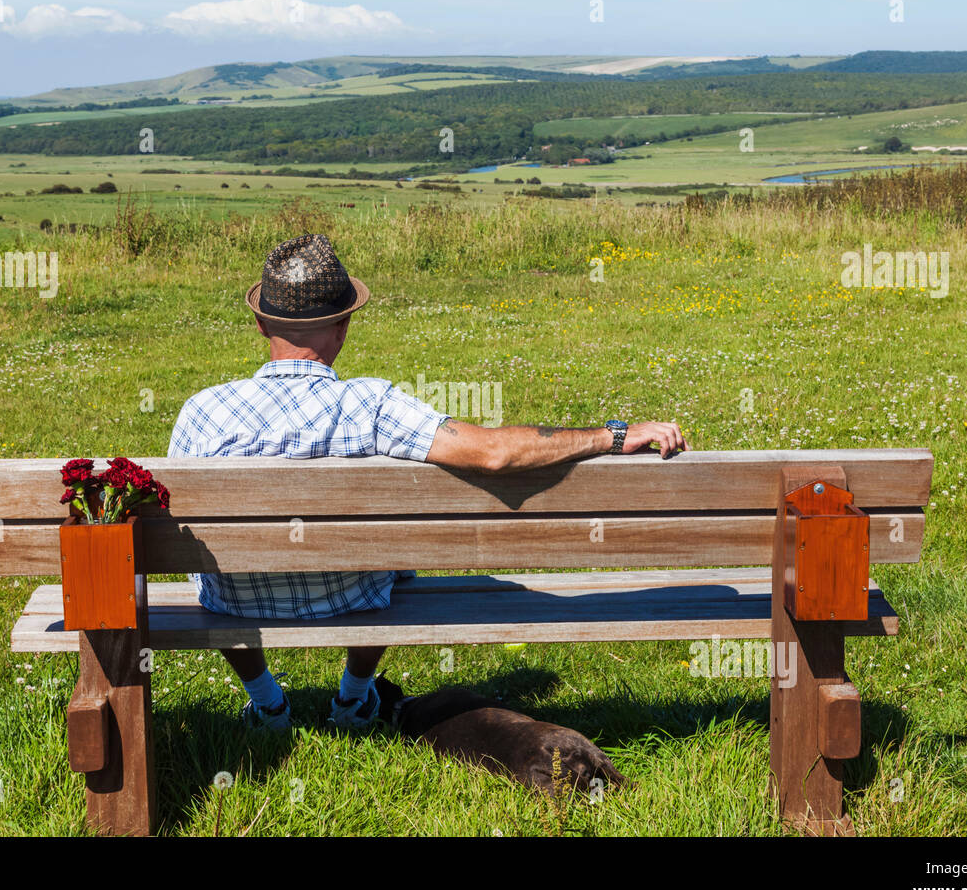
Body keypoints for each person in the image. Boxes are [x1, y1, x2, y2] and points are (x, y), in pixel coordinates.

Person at [167, 233, 689, 732]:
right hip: (355, 594)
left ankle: (268, 707)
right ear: (344, 325)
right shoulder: (372, 405)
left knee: (213, 566)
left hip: (234, 598)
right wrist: (613, 434)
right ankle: (353, 696)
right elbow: (496, 454)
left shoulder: (203, 413)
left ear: (261, 325)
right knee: (389, 558)